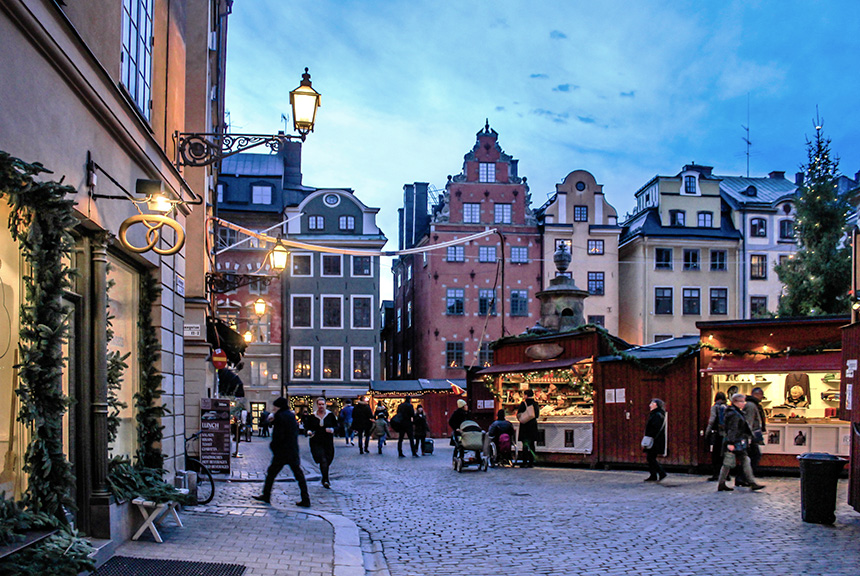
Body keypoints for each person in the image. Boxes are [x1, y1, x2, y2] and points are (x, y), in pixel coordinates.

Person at [252, 397, 310, 507]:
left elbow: (278, 434)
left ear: (279, 406)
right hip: (292, 449)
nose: (273, 408)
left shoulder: (279, 416)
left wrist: (273, 446)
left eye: (275, 406)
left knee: (272, 473)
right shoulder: (291, 415)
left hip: (282, 451)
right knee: (299, 475)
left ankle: (266, 495)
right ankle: (305, 498)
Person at [717, 393, 765, 492]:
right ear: (736, 402)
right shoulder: (734, 414)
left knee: (742, 460)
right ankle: (722, 483)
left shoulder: (735, 412)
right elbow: (732, 429)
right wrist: (730, 442)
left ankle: (751, 482)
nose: (744, 403)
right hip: (734, 441)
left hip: (737, 441)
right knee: (728, 463)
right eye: (742, 401)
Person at [305, 397, 337, 489]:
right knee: (322, 459)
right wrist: (309, 432)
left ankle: (324, 478)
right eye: (319, 404)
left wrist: (332, 430)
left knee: (328, 459)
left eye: (322, 404)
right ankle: (326, 480)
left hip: (327, 441)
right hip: (316, 441)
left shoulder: (330, 415)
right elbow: (307, 427)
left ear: (325, 405)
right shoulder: (313, 416)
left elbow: (337, 426)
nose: (321, 406)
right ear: (317, 405)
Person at [743, 387, 766, 477]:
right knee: (754, 455)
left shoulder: (751, 405)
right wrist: (749, 437)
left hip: (751, 435)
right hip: (751, 436)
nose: (761, 398)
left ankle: (745, 477)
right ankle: (746, 476)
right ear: (757, 394)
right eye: (761, 396)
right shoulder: (751, 406)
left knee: (751, 456)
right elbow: (749, 422)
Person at [704, 392, 728, 481]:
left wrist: (707, 432)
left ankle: (716, 474)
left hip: (718, 434)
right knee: (724, 455)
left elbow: (712, 420)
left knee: (716, 455)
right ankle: (726, 475)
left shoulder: (715, 407)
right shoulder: (727, 407)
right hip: (726, 434)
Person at [643, 398, 667, 482]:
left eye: (652, 403)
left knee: (650, 458)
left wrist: (649, 436)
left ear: (656, 405)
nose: (650, 405)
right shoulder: (656, 414)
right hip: (655, 440)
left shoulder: (657, 415)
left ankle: (660, 473)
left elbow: (655, 428)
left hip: (654, 440)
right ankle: (654, 474)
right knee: (650, 457)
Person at [517, 389, 540, 468]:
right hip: (532, 426)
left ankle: (524, 462)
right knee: (532, 445)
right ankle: (531, 462)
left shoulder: (523, 404)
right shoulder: (535, 404)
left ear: (526, 395)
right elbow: (537, 415)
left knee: (525, 445)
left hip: (525, 427)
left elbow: (519, 414)